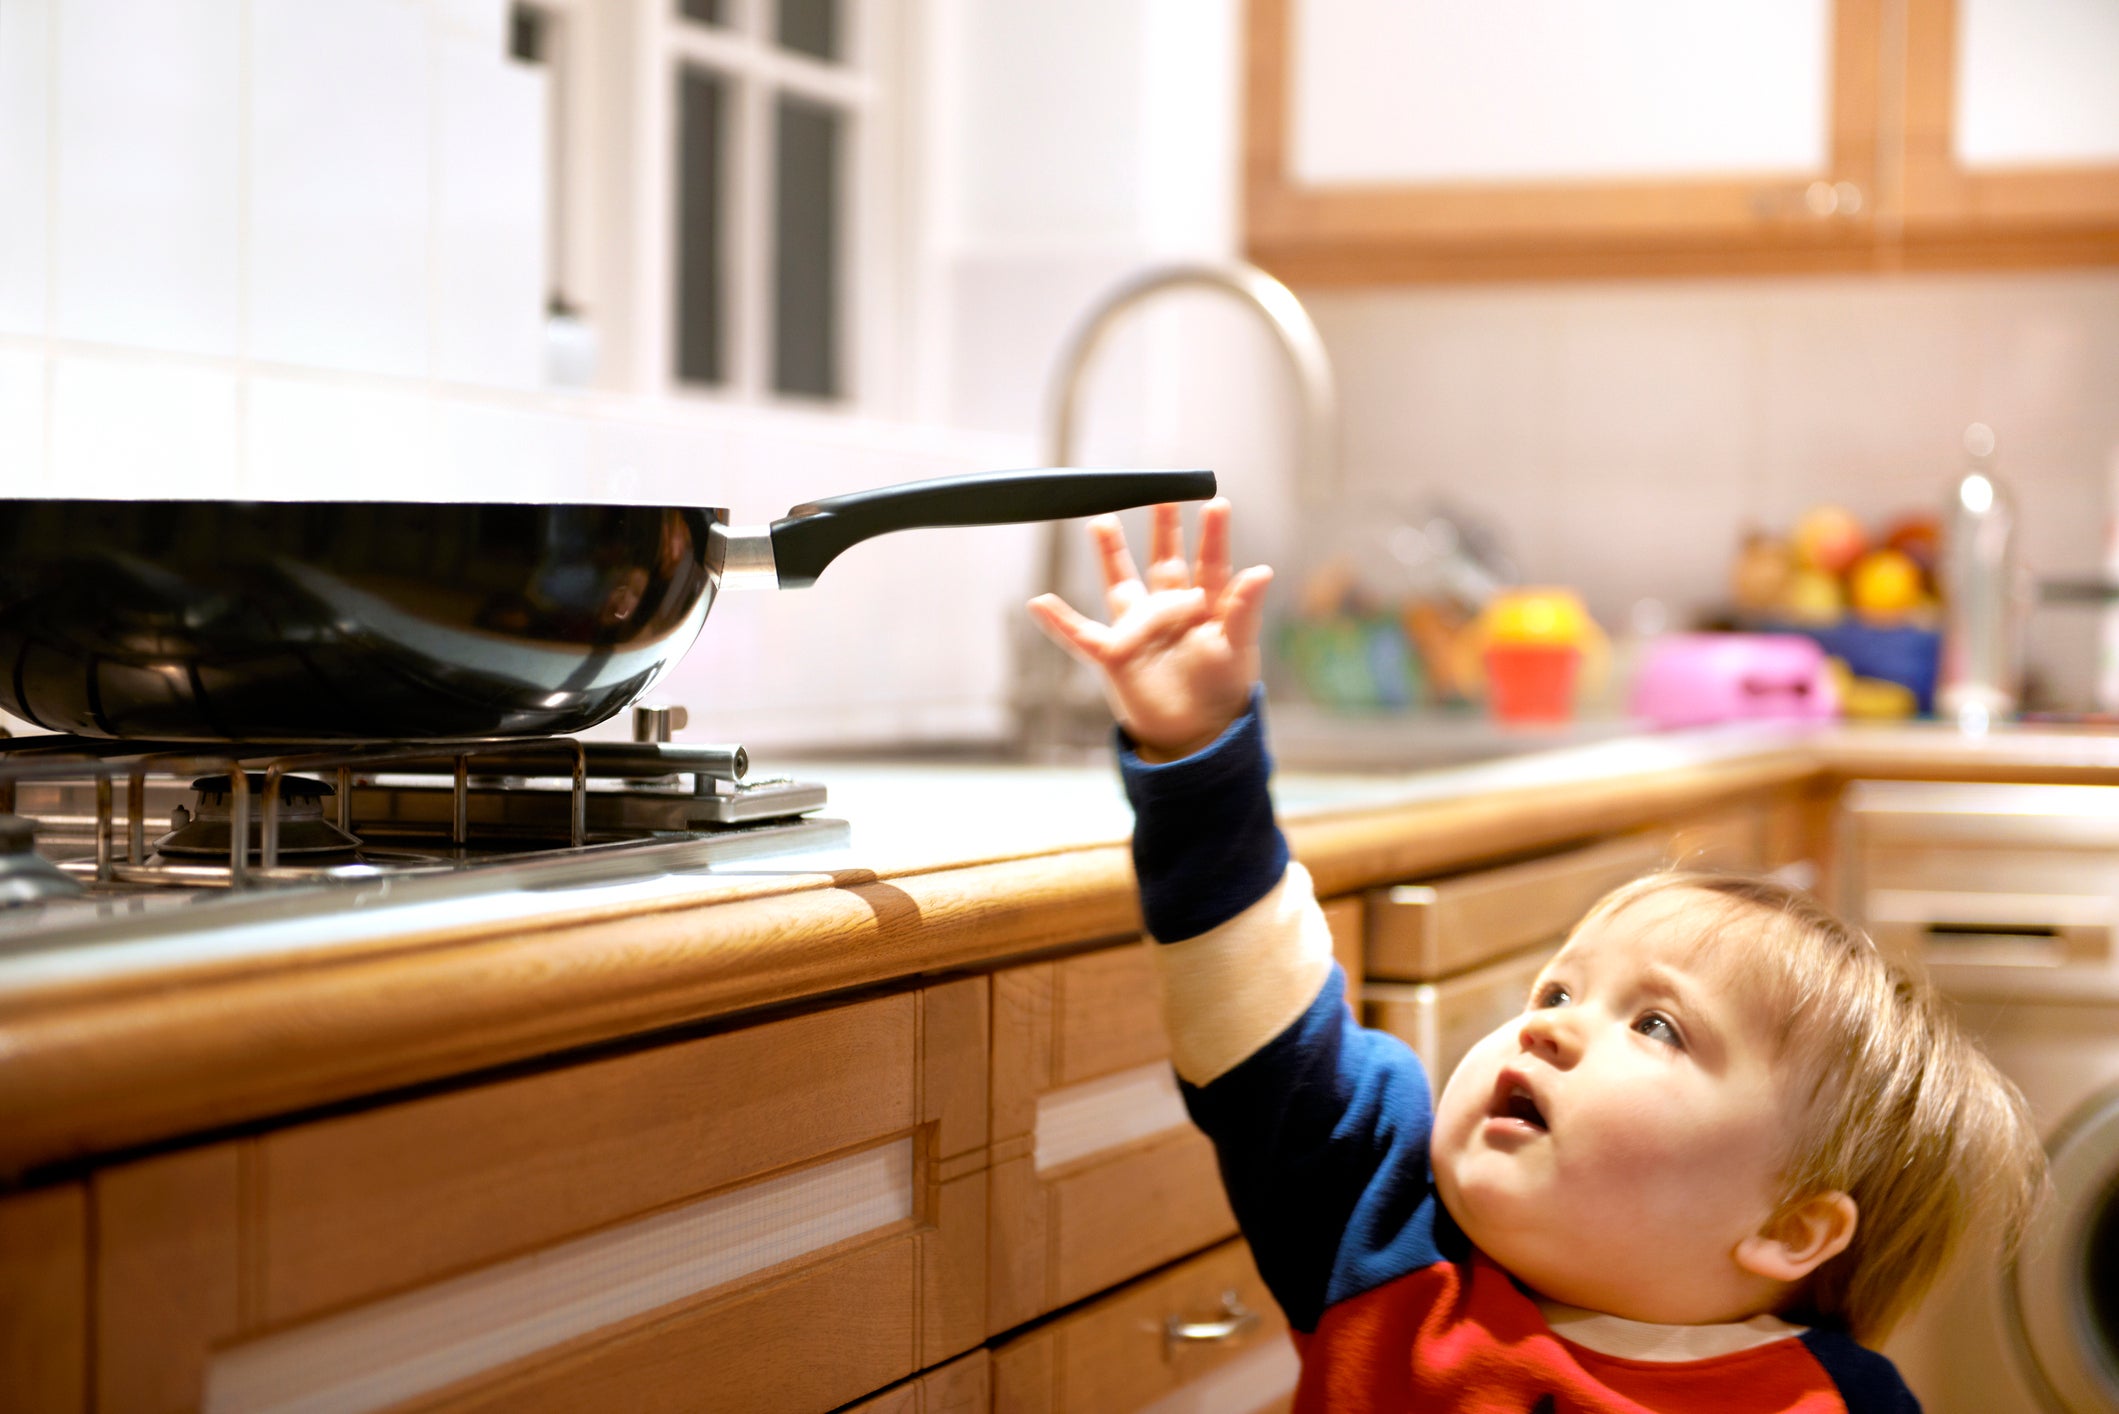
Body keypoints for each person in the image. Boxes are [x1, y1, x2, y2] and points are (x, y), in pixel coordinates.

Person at [1027, 500, 2047, 1413]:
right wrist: (1200, 750)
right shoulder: (1380, 1237)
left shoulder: (1831, 1402)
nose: (1549, 1023)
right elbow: (1258, 1018)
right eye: (1558, 987)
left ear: (1787, 1228)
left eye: (1654, 1024)